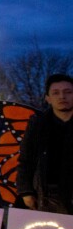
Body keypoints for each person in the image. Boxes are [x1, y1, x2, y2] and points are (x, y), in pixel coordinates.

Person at [17, 74, 73, 214]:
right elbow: (26, 159)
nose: (62, 97)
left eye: (68, 92)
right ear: (48, 98)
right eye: (55, 93)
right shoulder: (38, 125)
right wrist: (26, 191)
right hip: (48, 193)